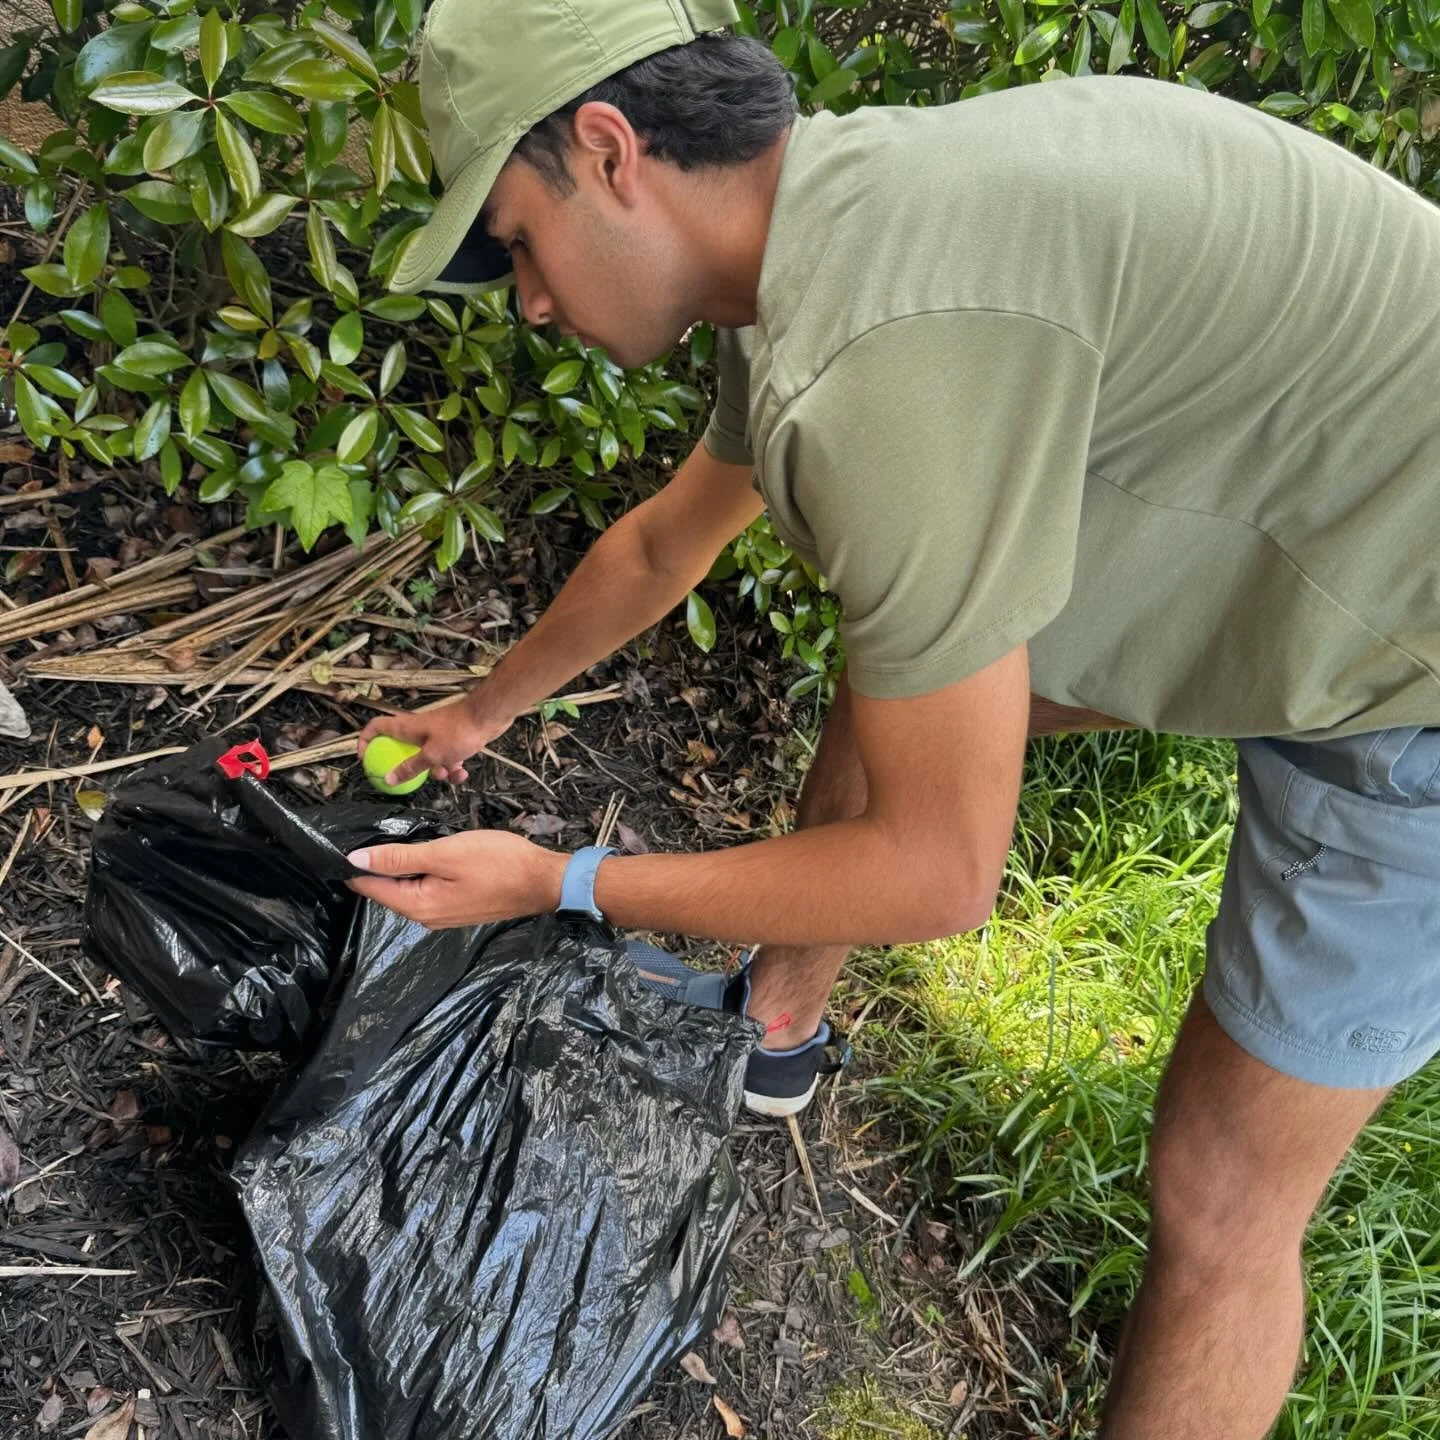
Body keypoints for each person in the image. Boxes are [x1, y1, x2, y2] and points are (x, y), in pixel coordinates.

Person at [342, 1, 1440, 1433]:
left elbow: (943, 874)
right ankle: (779, 1036)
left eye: (516, 243)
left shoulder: (882, 365)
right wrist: (478, 715)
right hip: (1307, 523)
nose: (528, 300)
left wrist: (562, 886)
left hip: (1408, 658)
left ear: (611, 153)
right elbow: (668, 543)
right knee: (902, 672)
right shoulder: (829, 220)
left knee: (1224, 1203)